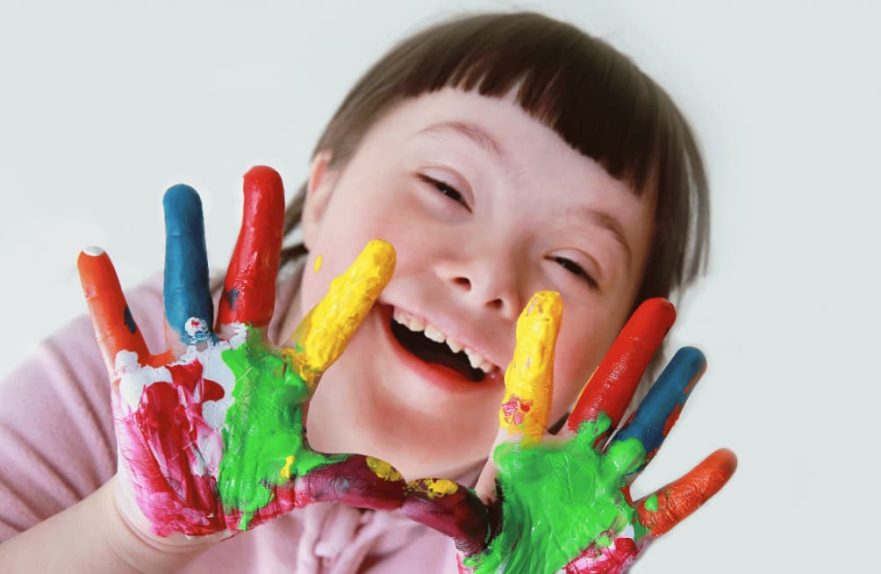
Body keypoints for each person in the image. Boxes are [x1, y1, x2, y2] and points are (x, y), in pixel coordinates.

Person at [0, 11, 734, 574]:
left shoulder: (539, 542)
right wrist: (130, 534)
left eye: (573, 265)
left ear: (613, 362)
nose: (487, 277)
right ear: (322, 193)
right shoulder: (161, 385)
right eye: (446, 188)